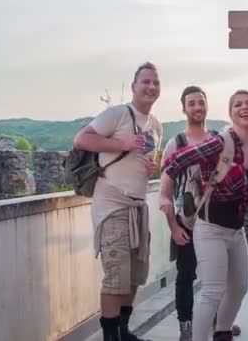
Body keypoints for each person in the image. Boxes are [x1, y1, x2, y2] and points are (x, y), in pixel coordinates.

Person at [160, 90, 248, 341]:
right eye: (238, 104)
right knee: (212, 291)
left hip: (236, 229)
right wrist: (164, 196)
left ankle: (222, 333)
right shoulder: (220, 142)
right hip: (210, 228)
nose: (245, 108)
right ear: (231, 113)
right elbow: (174, 163)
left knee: (240, 287)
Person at [73, 62, 163, 341]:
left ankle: (124, 333)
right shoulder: (118, 114)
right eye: (145, 81)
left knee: (135, 275)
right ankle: (111, 337)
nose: (151, 87)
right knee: (115, 276)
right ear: (134, 86)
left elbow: (143, 161)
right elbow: (82, 139)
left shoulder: (157, 126)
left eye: (155, 82)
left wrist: (151, 169)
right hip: (112, 205)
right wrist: (122, 145)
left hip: (138, 207)